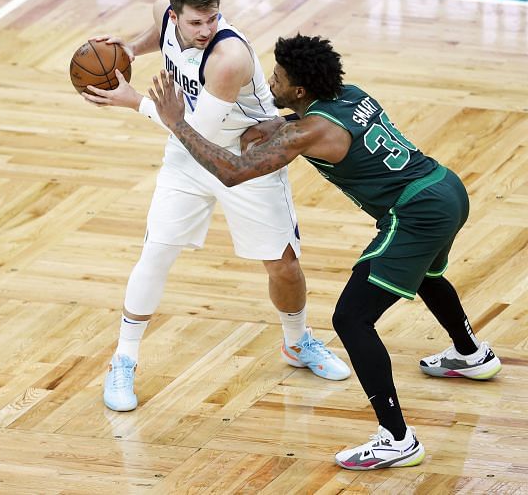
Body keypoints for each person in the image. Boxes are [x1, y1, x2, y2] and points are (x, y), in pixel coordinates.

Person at [147, 33, 502, 470]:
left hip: (416, 213)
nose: (269, 81)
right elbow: (311, 127)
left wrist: (176, 122)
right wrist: (275, 127)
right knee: (426, 274)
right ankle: (470, 355)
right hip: (446, 188)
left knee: (351, 318)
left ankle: (397, 438)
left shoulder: (309, 130)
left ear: (298, 89)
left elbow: (233, 172)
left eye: (277, 76)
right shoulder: (349, 95)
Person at [81, 0, 350, 412]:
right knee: (156, 253)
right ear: (175, 15)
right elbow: (158, 33)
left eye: (212, 18)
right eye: (195, 23)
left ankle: (297, 341)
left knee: (282, 266)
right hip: (187, 160)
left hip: (247, 159)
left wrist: (133, 101)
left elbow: (197, 130)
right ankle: (123, 359)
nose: (205, 29)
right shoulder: (163, 16)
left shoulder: (229, 57)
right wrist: (131, 47)